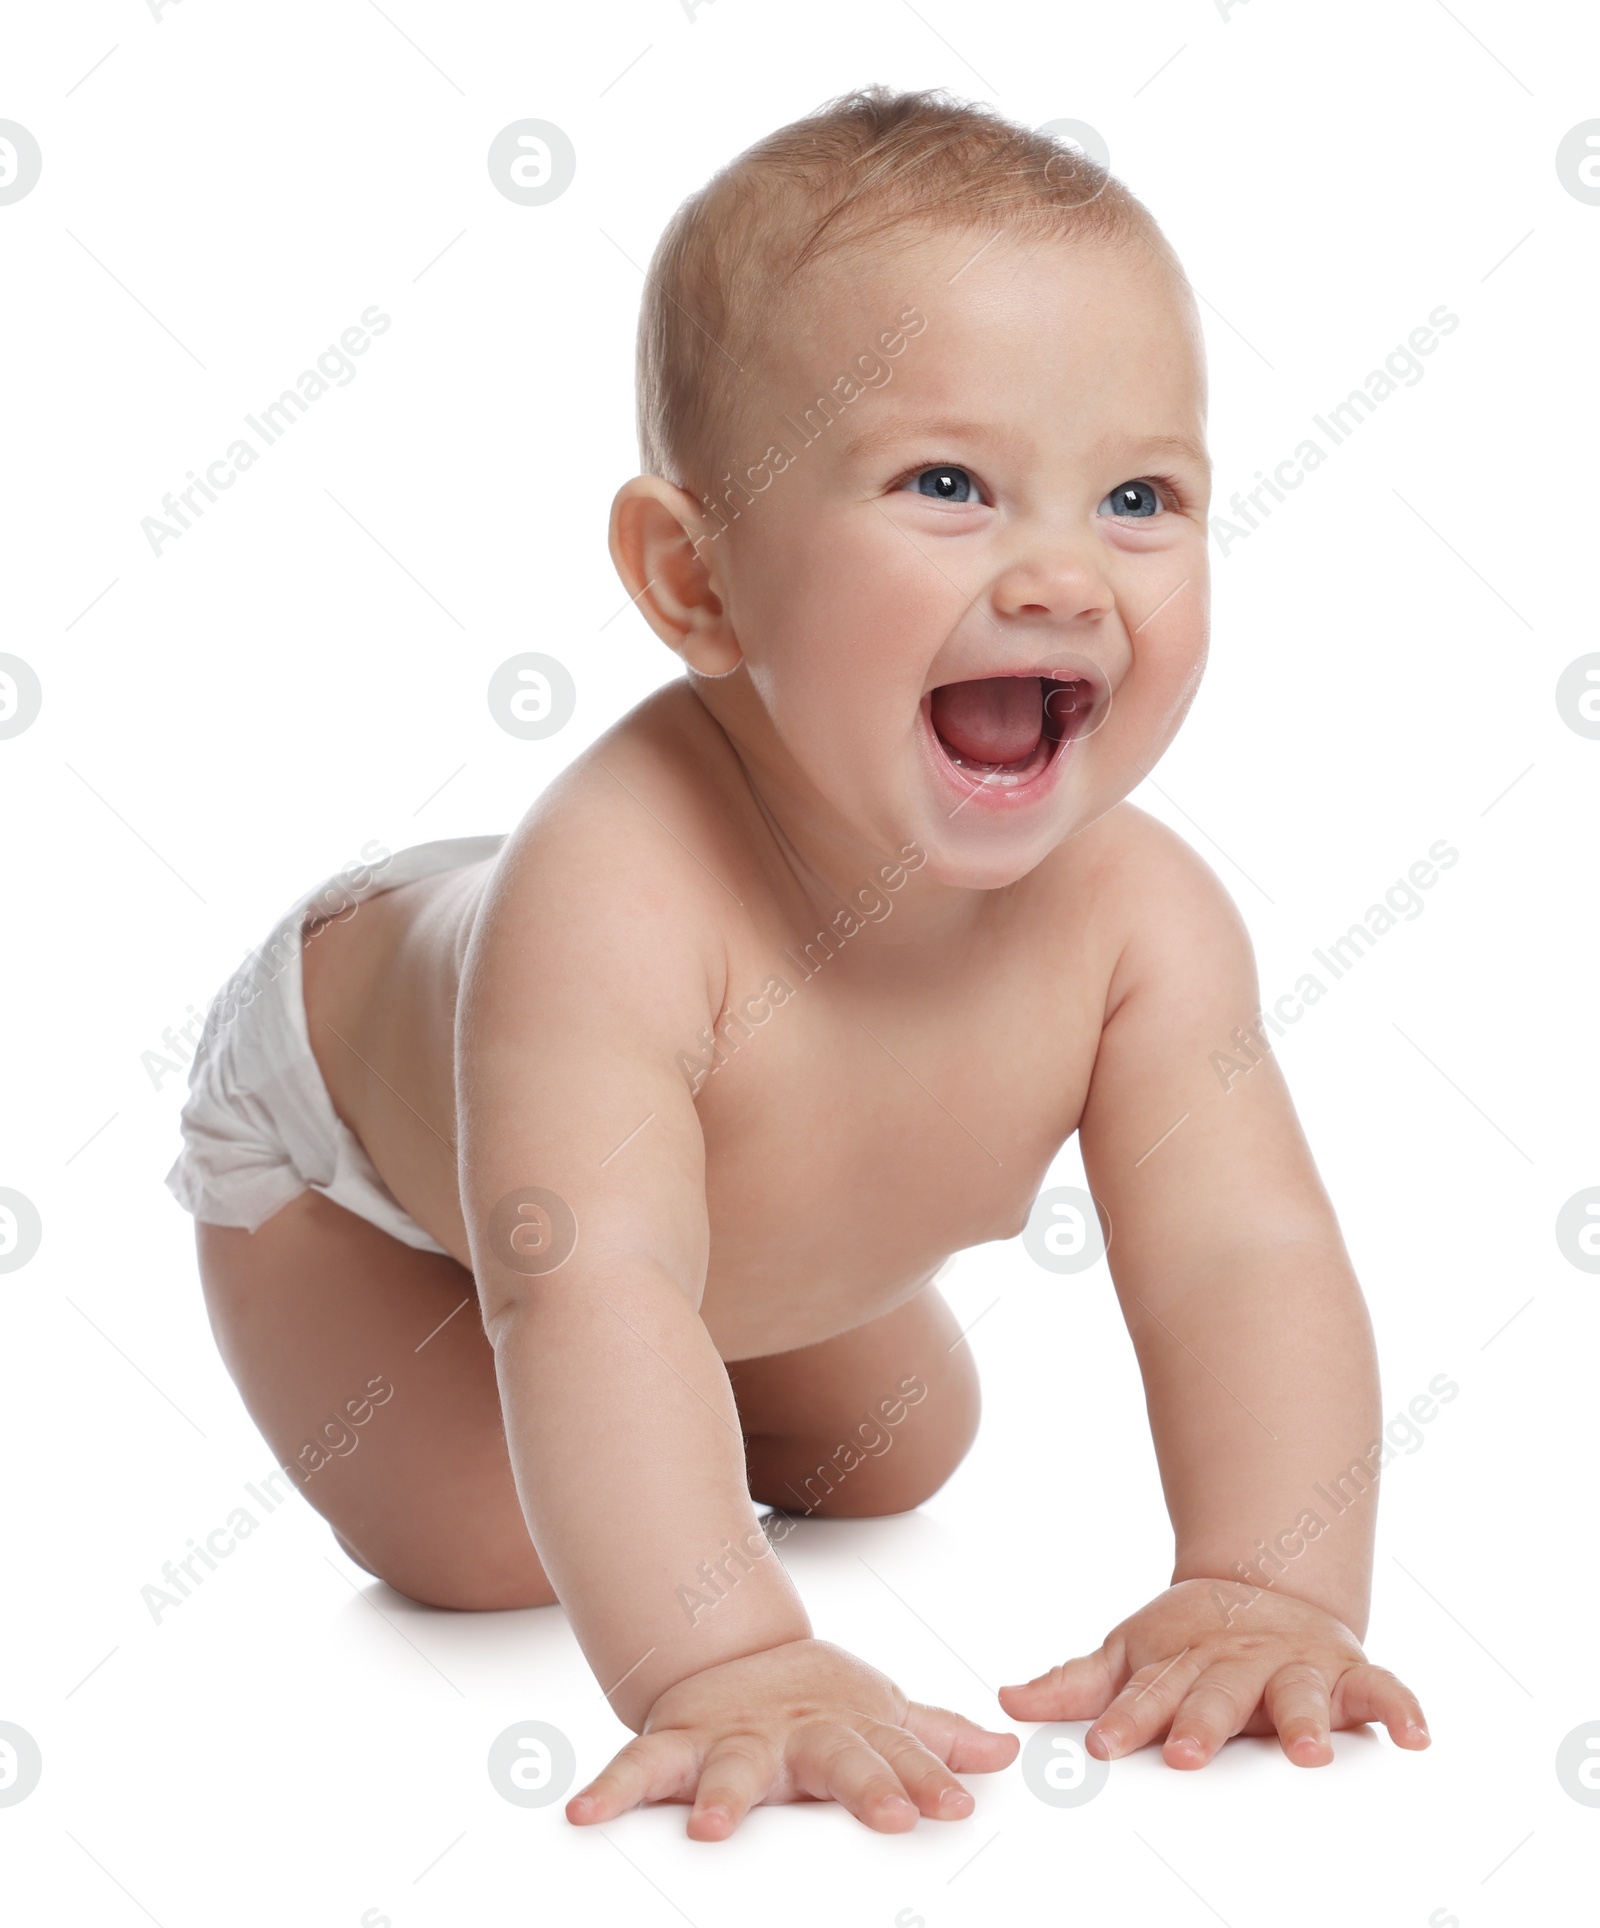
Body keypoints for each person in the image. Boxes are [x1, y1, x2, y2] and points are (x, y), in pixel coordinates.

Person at [166, 85, 1430, 1841]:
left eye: (1139, 495)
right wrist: (725, 1658)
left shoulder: (1142, 917)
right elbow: (582, 1283)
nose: (1063, 574)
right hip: (364, 1148)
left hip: (694, 1166)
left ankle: (713, 1357)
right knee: (491, 1545)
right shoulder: (614, 899)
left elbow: (1241, 1249)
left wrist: (1272, 1586)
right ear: (698, 582)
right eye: (947, 484)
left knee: (902, 1445)